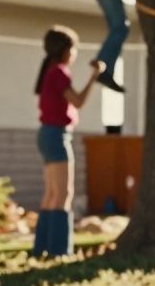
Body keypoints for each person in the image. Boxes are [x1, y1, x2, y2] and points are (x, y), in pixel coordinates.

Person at [33, 26, 104, 257]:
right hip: (57, 134)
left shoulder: (49, 72)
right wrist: (95, 76)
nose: (74, 54)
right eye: (73, 49)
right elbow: (78, 101)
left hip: (46, 134)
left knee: (52, 194)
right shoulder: (60, 72)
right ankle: (60, 250)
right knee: (64, 193)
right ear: (65, 50)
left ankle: (41, 248)